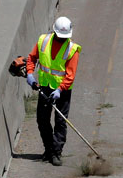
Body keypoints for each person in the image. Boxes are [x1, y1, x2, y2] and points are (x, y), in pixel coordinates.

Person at [25, 16, 81, 166]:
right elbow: (32, 58)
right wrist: (30, 74)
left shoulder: (72, 49)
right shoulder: (43, 41)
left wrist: (60, 90)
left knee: (60, 121)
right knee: (42, 120)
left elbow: (70, 75)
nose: (62, 40)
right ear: (54, 32)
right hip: (44, 86)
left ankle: (56, 153)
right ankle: (48, 149)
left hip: (62, 91)